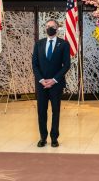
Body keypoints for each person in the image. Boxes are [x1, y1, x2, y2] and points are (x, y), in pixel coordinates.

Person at [32, 20, 70, 148]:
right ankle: (43, 137)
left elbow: (67, 65)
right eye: (47, 26)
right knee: (41, 111)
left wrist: (54, 80)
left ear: (57, 29)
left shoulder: (64, 44)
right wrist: (42, 80)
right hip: (41, 84)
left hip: (56, 84)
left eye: (52, 27)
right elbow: (35, 64)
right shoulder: (39, 44)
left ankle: (54, 138)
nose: (50, 28)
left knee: (55, 111)